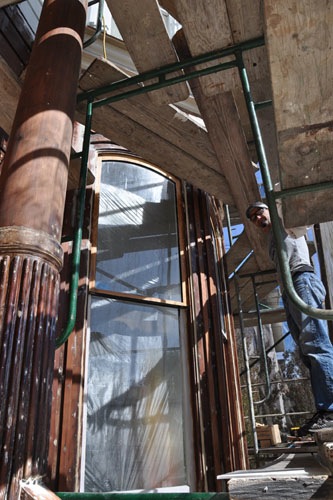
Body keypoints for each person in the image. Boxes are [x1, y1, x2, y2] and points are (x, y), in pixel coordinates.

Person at [246, 201, 333, 436]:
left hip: (302, 280)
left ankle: (330, 411)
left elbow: (292, 206)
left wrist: (277, 205)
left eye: (259, 212)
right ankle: (324, 410)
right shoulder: (270, 239)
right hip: (290, 289)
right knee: (306, 353)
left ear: (269, 210)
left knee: (317, 345)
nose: (257, 218)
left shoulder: (286, 222)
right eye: (253, 217)